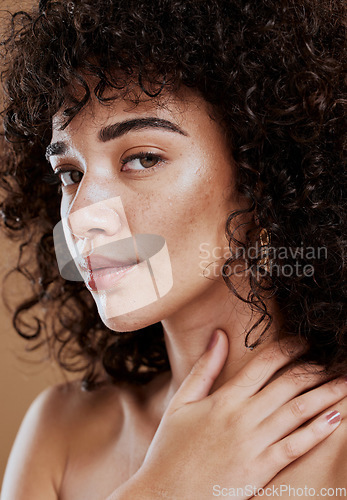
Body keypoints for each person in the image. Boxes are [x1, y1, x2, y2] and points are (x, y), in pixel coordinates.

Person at [0, 0, 346, 498]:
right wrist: (162, 488)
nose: (79, 218)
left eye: (142, 158)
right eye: (71, 175)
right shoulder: (62, 434)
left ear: (260, 175)